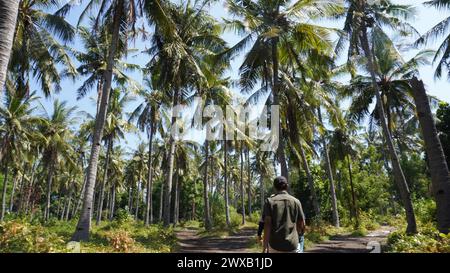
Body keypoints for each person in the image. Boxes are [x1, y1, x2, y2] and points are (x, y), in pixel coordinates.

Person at [262, 176, 306, 253]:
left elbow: (267, 224)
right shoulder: (296, 201)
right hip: (292, 245)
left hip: (275, 245)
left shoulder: (270, 202)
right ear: (287, 186)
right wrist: (297, 237)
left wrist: (265, 246)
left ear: (274, 187)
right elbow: (301, 223)